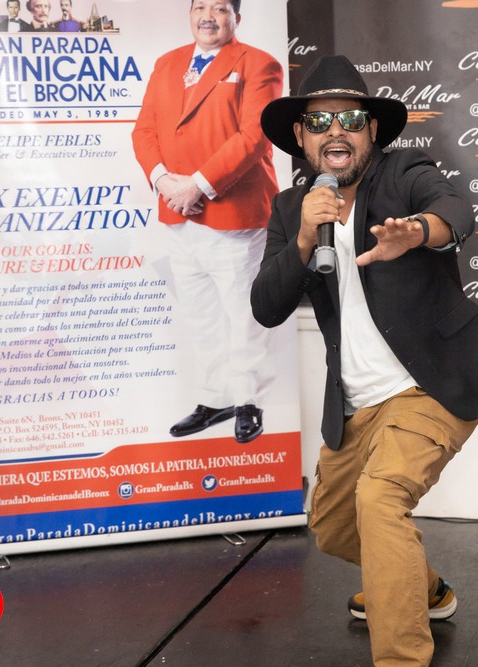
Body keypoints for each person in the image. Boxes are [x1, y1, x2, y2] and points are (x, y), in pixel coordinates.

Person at [252, 55, 478, 666]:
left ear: (372, 130)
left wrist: (421, 231)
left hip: (427, 386)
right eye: (319, 121)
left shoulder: (404, 173)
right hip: (354, 403)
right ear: (300, 135)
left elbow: (456, 211)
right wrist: (304, 239)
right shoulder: (292, 208)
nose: (336, 131)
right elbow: (266, 308)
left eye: (351, 119)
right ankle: (424, 590)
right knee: (334, 528)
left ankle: (401, 656)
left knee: (380, 500)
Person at [131, 0, 282, 443]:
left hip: (234, 215)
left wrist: (198, 185)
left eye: (220, 8)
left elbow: (255, 136)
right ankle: (215, 399)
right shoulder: (167, 63)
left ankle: (248, 401)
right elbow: (144, 131)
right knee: (201, 315)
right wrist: (163, 180)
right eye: (200, 6)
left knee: (243, 313)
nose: (208, 16)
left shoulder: (259, 64)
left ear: (237, 17)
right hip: (179, 214)